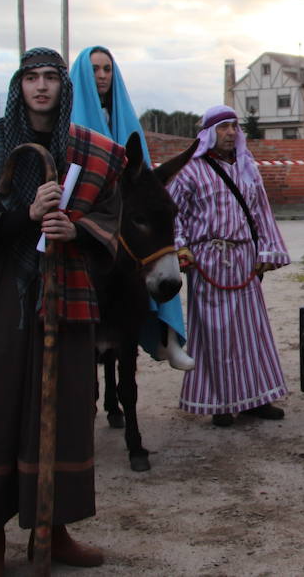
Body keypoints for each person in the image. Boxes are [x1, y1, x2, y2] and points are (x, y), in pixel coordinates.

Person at [0, 47, 124, 573]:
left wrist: (79, 228)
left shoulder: (88, 147)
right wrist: (25, 216)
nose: (42, 86)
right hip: (8, 292)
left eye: (51, 77)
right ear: (19, 85)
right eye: (32, 78)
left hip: (67, 290)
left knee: (65, 410)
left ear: (63, 87)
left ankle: (55, 531)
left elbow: (112, 213)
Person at [70, 44, 192, 369]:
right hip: (85, 213)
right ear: (83, 73)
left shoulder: (124, 117)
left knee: (156, 250)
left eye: (107, 69)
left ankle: (167, 336)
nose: (101, 75)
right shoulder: (68, 117)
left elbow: (142, 168)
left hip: (125, 205)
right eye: (95, 69)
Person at [169, 106, 291, 427]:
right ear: (210, 133)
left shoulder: (249, 169)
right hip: (209, 259)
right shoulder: (190, 171)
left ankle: (257, 399)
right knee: (216, 334)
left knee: (252, 332)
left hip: (244, 259)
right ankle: (222, 404)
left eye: (234, 126)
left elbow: (261, 212)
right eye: (223, 127)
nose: (231, 132)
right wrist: (180, 246)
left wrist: (267, 251)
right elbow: (170, 213)